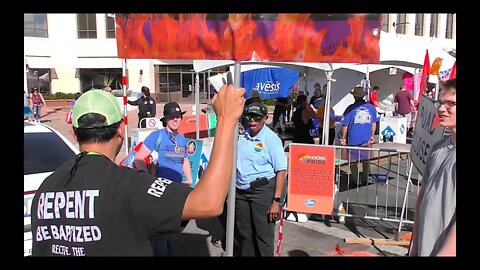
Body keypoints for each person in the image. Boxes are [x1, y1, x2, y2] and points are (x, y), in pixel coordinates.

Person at [30, 85, 246, 256]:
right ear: (122, 130)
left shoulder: (46, 188)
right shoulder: (129, 186)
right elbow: (208, 203)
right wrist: (226, 121)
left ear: (74, 134)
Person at [131, 101, 192, 256]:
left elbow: (184, 160)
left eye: (178, 116)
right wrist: (148, 179)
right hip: (161, 191)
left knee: (172, 231)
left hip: (177, 190)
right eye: (172, 117)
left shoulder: (181, 138)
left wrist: (190, 179)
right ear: (165, 119)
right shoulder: (157, 136)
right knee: (162, 235)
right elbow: (138, 159)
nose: (175, 119)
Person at [409, 79, 456, 256]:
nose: (442, 109)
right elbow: (423, 196)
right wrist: (415, 247)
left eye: (451, 103)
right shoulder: (437, 148)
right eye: (441, 103)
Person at [234, 102, 287, 256]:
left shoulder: (271, 139)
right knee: (244, 235)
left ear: (265, 118)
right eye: (249, 117)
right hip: (241, 191)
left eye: (257, 117)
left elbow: (281, 171)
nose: (252, 121)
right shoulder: (242, 137)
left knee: (263, 236)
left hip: (263, 191)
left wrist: (276, 201)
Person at [340, 86, 379, 186]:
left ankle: (355, 179)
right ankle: (365, 179)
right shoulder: (371, 107)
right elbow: (374, 123)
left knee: (353, 160)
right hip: (366, 137)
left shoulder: (350, 108)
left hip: (353, 138)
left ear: (354, 97)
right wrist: (372, 135)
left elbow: (345, 125)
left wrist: (343, 137)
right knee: (366, 159)